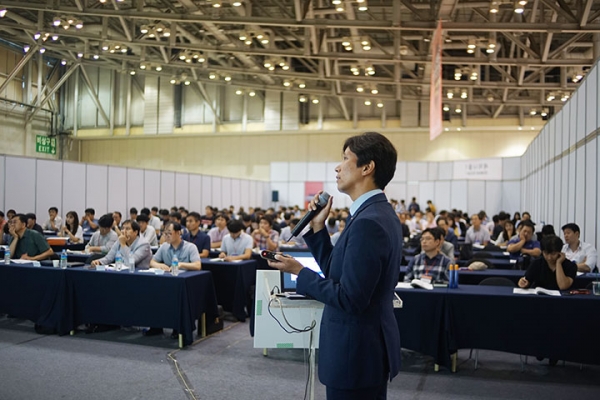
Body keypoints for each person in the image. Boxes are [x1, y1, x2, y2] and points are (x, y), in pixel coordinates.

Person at [267, 132, 402, 399]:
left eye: (345, 158)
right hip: (364, 350)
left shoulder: (368, 222)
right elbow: (339, 274)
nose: (337, 167)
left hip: (355, 353)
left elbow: (350, 298)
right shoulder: (373, 214)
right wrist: (318, 230)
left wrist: (299, 272)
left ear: (367, 167)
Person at [146, 221, 201, 338]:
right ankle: (156, 325)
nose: (166, 236)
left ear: (178, 233)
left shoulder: (190, 247)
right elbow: (152, 261)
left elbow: (197, 265)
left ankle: (178, 327)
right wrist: (159, 266)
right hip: (167, 283)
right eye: (164, 234)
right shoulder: (164, 247)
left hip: (184, 285)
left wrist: (181, 264)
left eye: (169, 233)